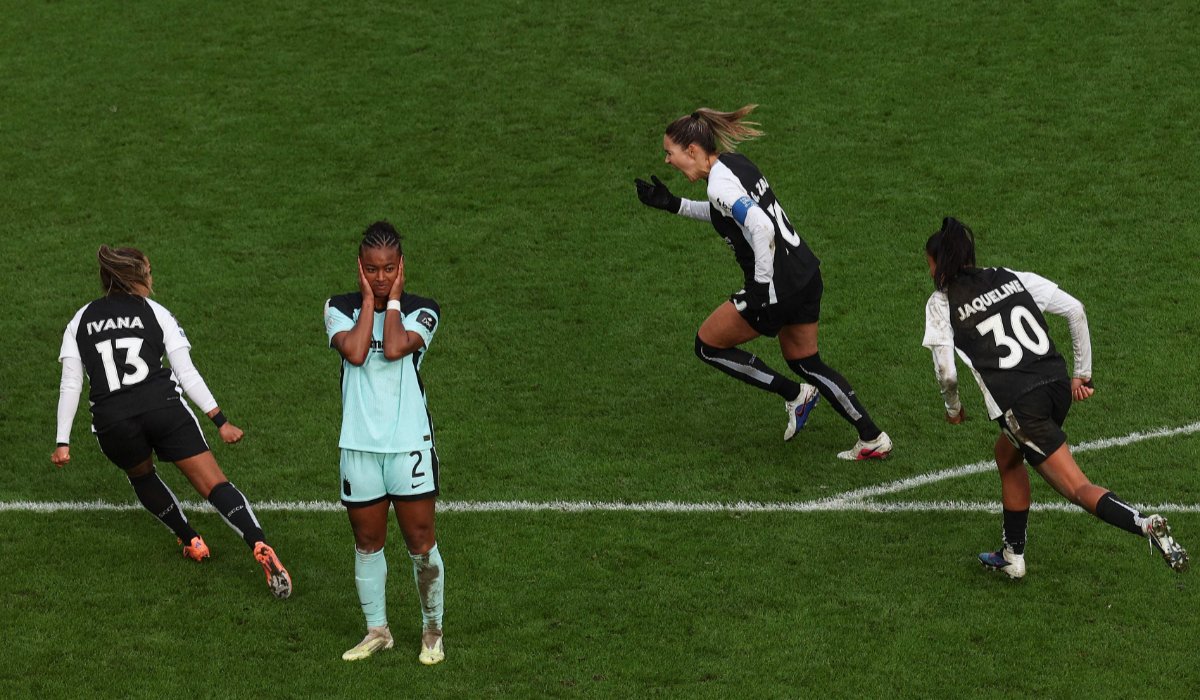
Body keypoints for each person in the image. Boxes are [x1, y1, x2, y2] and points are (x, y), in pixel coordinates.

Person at [921, 217, 1188, 577]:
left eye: (930, 263)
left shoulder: (941, 303)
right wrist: (1083, 373)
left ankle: (1144, 523)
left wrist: (953, 409)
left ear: (939, 264)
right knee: (1007, 456)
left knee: (1077, 487)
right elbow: (1075, 310)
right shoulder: (1009, 276)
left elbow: (947, 372)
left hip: (1021, 406)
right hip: (1056, 387)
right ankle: (1012, 555)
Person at [634, 105, 890, 459]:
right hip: (805, 275)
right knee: (806, 361)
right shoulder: (735, 164)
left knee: (708, 345)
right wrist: (674, 205)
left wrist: (759, 286)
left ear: (692, 150)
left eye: (670, 153)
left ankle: (793, 394)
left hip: (776, 289)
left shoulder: (720, 183)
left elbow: (759, 226)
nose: (667, 161)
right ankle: (871, 436)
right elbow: (730, 212)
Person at [52, 245, 292, 598]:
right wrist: (220, 420)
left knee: (142, 475)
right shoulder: (155, 312)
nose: (151, 278)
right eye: (147, 272)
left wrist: (62, 441)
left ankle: (190, 538)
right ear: (134, 278)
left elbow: (71, 383)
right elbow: (186, 372)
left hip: (113, 421)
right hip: (162, 409)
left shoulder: (80, 319)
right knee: (213, 484)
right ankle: (258, 542)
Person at [324, 221, 445, 665]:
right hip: (358, 445)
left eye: (389, 269)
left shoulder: (422, 310)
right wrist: (367, 304)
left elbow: (394, 348)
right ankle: (378, 630)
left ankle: (432, 629)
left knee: (420, 540)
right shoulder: (338, 308)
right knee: (367, 542)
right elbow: (355, 351)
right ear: (360, 267)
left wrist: (391, 301)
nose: (379, 277)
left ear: (401, 268)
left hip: (409, 444)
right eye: (372, 269)